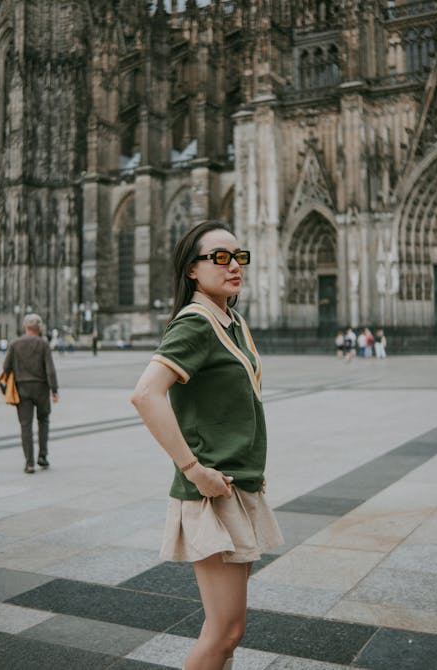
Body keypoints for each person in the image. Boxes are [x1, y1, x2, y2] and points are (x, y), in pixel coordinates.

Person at [131, 220, 283, 670]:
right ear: (192, 269)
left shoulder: (231, 321)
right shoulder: (196, 323)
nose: (235, 265)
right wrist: (193, 469)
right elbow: (145, 395)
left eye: (239, 256)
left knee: (228, 633)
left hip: (238, 486)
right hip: (213, 489)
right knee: (225, 631)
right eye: (220, 257)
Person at [3, 313, 59, 473]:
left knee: (25, 425)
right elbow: (50, 370)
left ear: (24, 327)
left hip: (22, 389)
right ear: (39, 327)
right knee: (43, 421)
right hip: (41, 389)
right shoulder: (43, 344)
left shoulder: (15, 344)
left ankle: (29, 463)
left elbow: (6, 367)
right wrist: (54, 389)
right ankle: (43, 456)